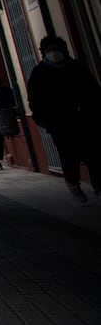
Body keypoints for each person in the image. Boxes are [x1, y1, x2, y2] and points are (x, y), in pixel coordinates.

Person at [26, 34, 101, 202]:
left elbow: (93, 90)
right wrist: (44, 120)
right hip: (60, 122)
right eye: (49, 50)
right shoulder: (40, 73)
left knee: (94, 152)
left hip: (85, 118)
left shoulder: (76, 68)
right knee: (69, 154)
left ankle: (98, 184)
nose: (53, 53)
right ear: (44, 53)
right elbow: (35, 99)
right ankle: (73, 182)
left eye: (56, 50)